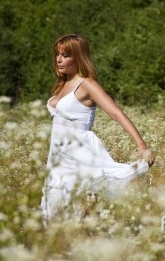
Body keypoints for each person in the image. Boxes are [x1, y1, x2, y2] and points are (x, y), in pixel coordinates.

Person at [41, 34, 155, 224]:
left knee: (71, 206)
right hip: (58, 157)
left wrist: (142, 145)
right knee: (52, 208)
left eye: (65, 55)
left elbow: (117, 114)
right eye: (57, 54)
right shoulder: (63, 84)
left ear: (78, 57)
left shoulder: (87, 84)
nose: (59, 59)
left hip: (79, 153)